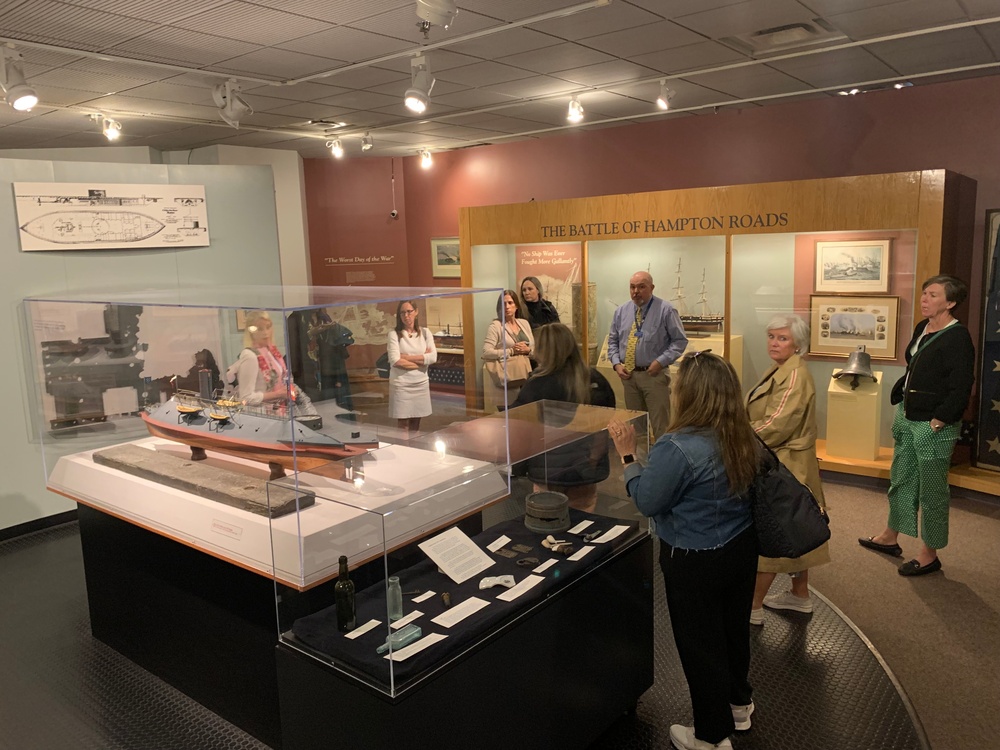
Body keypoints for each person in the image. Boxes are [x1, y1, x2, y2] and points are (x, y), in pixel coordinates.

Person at [609, 351, 758, 750]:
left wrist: (627, 457)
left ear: (690, 394)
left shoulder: (677, 447)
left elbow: (647, 500)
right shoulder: (742, 432)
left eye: (676, 386)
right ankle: (739, 705)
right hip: (742, 548)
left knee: (701, 646)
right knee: (732, 631)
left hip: (695, 558)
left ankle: (710, 736)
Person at [860, 275, 975, 576]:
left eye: (933, 295)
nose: (924, 299)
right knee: (901, 477)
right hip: (909, 416)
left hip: (934, 425)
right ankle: (890, 536)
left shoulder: (958, 337)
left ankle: (929, 554)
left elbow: (961, 386)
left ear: (950, 302)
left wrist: (939, 420)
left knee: (932, 491)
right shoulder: (922, 328)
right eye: (924, 293)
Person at [745, 314, 830, 625]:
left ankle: (752, 608)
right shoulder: (781, 369)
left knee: (775, 533)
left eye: (782, 338)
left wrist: (736, 440)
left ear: (798, 344)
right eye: (771, 336)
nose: (774, 343)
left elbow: (775, 425)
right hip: (783, 461)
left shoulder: (794, 376)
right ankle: (800, 595)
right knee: (796, 527)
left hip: (785, 464)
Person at [509, 323, 615, 512]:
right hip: (584, 469)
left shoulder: (537, 384)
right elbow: (604, 427)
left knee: (549, 525)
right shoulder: (596, 380)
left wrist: (517, 468)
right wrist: (593, 459)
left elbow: (520, 431)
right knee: (583, 526)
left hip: (548, 471)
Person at [608, 270, 688, 441]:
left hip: (654, 376)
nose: (635, 291)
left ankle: (663, 465)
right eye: (632, 287)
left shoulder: (666, 310)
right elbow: (613, 342)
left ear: (652, 287)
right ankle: (640, 465)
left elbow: (680, 341)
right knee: (636, 429)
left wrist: (661, 361)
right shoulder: (621, 311)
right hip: (629, 377)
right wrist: (616, 364)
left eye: (641, 287)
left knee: (661, 427)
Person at [229, 310, 302, 414]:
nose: (265, 333)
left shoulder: (271, 351)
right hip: (262, 416)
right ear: (251, 332)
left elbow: (284, 377)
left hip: (280, 412)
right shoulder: (250, 356)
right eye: (260, 329)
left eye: (268, 327)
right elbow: (246, 398)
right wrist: (278, 394)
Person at [387, 300, 437, 436]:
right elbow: (395, 360)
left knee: (416, 422)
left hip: (420, 383)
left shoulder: (425, 333)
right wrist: (422, 360)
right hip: (402, 384)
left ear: (416, 312)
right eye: (402, 312)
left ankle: (415, 450)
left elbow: (433, 358)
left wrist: (407, 357)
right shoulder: (394, 334)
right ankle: (403, 452)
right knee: (403, 424)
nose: (406, 315)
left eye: (409, 311)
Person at [482, 290, 535, 405]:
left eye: (510, 303)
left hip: (525, 376)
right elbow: (486, 352)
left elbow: (534, 347)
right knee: (509, 417)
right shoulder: (496, 326)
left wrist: (528, 350)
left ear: (516, 305)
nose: (507, 307)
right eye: (503, 303)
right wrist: (511, 351)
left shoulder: (524, 323)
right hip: (507, 378)